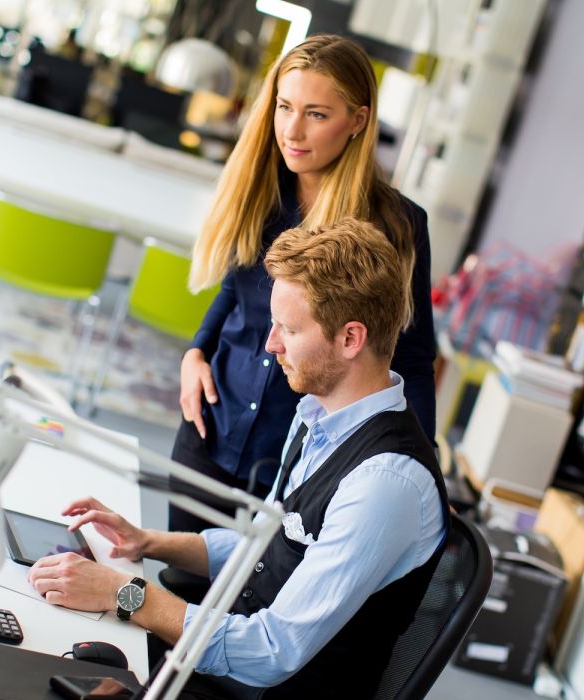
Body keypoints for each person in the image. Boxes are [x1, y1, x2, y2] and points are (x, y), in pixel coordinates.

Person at [28, 218, 449, 699]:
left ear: (351, 338)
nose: (270, 345)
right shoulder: (318, 414)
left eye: (289, 329)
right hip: (219, 673)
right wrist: (149, 543)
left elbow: (272, 649)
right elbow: (266, 546)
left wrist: (122, 594)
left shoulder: (385, 485)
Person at [171, 33, 437, 536]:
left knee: (252, 610)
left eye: (316, 114)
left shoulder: (397, 226)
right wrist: (195, 352)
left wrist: (420, 468)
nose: (292, 130)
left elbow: (414, 358)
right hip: (209, 433)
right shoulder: (259, 188)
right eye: (285, 107)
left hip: (303, 471)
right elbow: (235, 291)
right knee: (171, 595)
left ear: (357, 121)